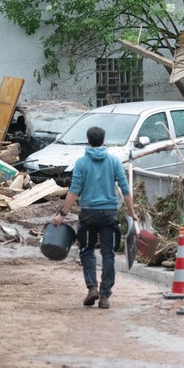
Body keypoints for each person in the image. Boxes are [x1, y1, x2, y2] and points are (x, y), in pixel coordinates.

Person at [52, 126, 138, 309]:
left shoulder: (82, 163)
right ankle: (105, 296)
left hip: (89, 214)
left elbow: (73, 192)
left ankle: (92, 287)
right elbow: (125, 189)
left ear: (88, 140)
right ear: (103, 139)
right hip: (109, 214)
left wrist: (62, 215)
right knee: (109, 254)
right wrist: (132, 213)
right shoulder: (114, 162)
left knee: (87, 250)